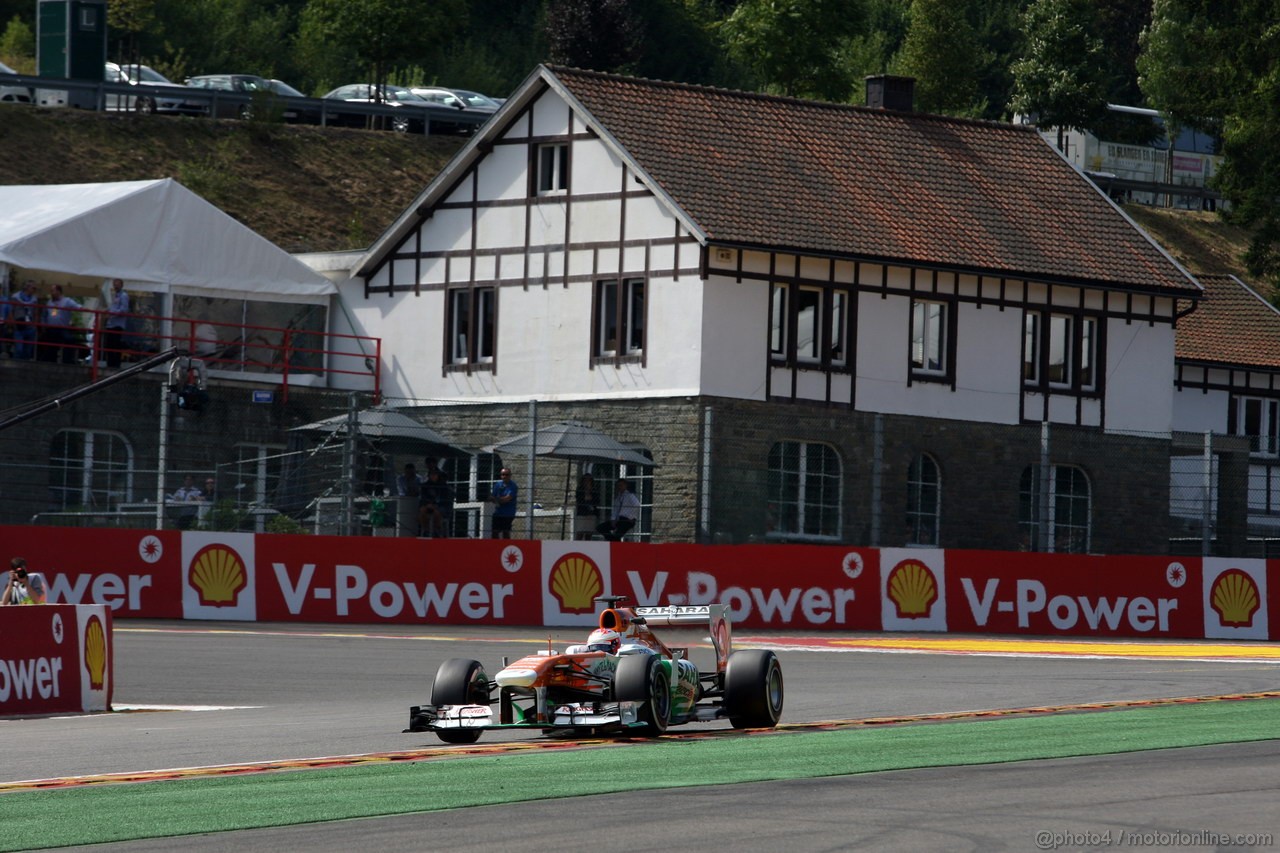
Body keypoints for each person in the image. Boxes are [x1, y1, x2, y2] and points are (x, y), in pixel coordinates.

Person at [43, 284, 83, 364]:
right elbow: (45, 314)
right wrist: (44, 324)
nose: (51, 293)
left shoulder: (67, 301)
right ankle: (50, 361)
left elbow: (78, 307)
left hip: (62, 328)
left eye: (53, 291)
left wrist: (84, 309)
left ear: (58, 291)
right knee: (49, 342)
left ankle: (67, 361)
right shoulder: (50, 302)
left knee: (69, 340)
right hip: (51, 328)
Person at [597, 477, 641, 541]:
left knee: (618, 534)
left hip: (627, 520)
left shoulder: (630, 495)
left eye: (621, 485)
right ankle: (613, 541)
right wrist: (613, 519)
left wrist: (631, 517)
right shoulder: (618, 498)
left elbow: (637, 505)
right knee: (600, 528)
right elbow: (615, 510)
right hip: (619, 519)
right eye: (618, 486)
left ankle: (614, 542)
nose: (619, 487)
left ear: (625, 486)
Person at [419, 468, 453, 537]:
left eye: (435, 474)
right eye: (432, 475)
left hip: (441, 507)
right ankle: (427, 530)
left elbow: (446, 500)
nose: (433, 476)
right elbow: (423, 498)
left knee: (436, 513)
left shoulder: (444, 487)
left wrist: (435, 505)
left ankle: (436, 532)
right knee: (421, 511)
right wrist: (428, 504)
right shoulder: (425, 486)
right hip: (428, 506)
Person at [103, 278, 129, 367]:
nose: (115, 286)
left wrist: (111, 314)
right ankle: (110, 363)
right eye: (114, 284)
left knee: (115, 345)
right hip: (111, 324)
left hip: (117, 325)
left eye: (117, 284)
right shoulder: (116, 296)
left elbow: (124, 310)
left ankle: (115, 364)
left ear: (121, 285)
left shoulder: (123, 296)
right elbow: (115, 308)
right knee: (109, 345)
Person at [10, 281, 38, 360]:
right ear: (27, 288)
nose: (34, 290)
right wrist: (13, 324)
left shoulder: (34, 299)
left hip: (30, 326)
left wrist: (34, 325)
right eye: (33, 288)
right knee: (19, 349)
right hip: (19, 326)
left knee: (28, 351)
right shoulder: (15, 297)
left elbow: (36, 312)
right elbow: (11, 310)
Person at [488, 467, 518, 539]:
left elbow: (507, 499)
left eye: (506, 474)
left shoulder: (513, 486)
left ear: (510, 475)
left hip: (508, 513)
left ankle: (506, 546)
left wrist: (496, 499)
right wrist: (498, 499)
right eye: (503, 474)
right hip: (498, 512)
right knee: (494, 531)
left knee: (505, 531)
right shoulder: (498, 485)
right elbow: (491, 497)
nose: (504, 476)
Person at [574, 473, 600, 540]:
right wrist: (586, 493)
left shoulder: (594, 490)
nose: (587, 482)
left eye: (589, 480)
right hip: (582, 513)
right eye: (585, 480)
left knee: (588, 534)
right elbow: (580, 500)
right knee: (580, 533)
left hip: (591, 514)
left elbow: (596, 501)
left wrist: (590, 491)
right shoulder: (579, 490)